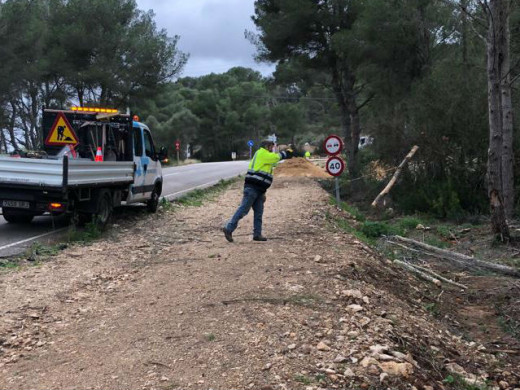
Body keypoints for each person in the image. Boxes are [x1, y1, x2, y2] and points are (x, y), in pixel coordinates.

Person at [223, 140, 293, 242]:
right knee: (243, 210)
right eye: (271, 147)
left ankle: (257, 234)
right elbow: (276, 158)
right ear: (266, 146)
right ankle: (228, 228)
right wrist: (286, 153)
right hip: (252, 188)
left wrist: (263, 192)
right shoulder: (262, 153)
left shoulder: (266, 157)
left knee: (259, 212)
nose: (272, 149)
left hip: (259, 190)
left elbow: (272, 165)